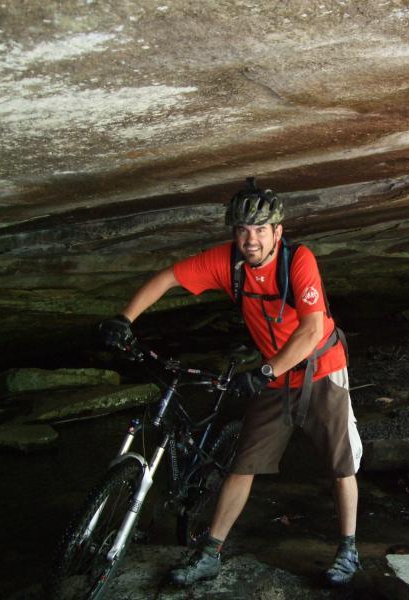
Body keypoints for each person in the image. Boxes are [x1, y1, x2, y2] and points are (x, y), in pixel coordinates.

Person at [98, 178, 362, 587]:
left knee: (340, 463)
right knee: (244, 464)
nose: (250, 239)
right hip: (272, 375)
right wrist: (124, 318)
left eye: (259, 230)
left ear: (278, 232)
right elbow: (168, 277)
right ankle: (209, 553)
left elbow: (310, 331)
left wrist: (263, 372)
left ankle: (348, 550)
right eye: (242, 230)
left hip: (322, 368)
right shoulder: (228, 263)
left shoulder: (298, 261)